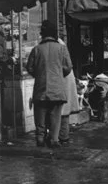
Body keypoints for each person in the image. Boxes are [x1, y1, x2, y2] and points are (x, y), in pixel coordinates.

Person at [26, 20, 73, 148]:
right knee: (55, 117)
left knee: (40, 116)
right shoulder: (62, 49)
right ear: (55, 34)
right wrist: (58, 75)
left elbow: (29, 67)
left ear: (42, 34)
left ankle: (40, 138)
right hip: (57, 90)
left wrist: (39, 75)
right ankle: (54, 139)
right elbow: (68, 67)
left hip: (40, 90)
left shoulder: (36, 49)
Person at [59, 38, 81, 146]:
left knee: (62, 112)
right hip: (63, 83)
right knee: (63, 112)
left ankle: (62, 136)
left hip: (62, 83)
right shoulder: (61, 46)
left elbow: (66, 67)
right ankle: (63, 136)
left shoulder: (58, 46)